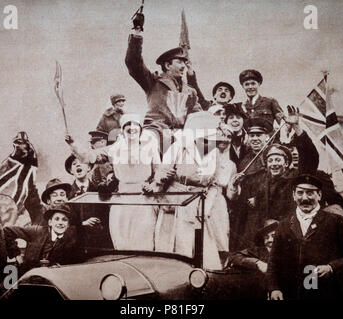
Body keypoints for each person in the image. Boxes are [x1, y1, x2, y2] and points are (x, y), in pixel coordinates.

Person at [227, 106, 319, 250]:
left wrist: (296, 127)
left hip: (288, 228)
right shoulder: (254, 172)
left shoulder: (294, 177)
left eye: (278, 160)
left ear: (286, 162)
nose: (274, 164)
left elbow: (310, 158)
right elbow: (243, 199)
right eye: (271, 160)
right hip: (259, 228)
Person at [66, 114, 162, 251]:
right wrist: (73, 144)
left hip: (143, 199)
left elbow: (158, 171)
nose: (132, 128)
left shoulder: (150, 148)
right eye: (127, 126)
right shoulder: (114, 149)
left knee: (144, 237)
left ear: (140, 129)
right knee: (122, 238)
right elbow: (89, 157)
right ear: (122, 130)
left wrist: (152, 186)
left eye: (135, 125)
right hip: (121, 200)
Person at [154, 112, 235, 269]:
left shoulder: (215, 153)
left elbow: (215, 182)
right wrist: (164, 176)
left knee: (202, 243)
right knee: (176, 243)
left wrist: (208, 202)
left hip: (201, 203)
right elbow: (160, 173)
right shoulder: (179, 147)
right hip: (177, 201)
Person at [267, 174, 343, 300]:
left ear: (320, 195)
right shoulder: (284, 225)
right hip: (292, 293)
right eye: (300, 193)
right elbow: (273, 261)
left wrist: (332, 267)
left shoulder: (336, 222)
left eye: (310, 193)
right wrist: (274, 288)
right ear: (293, 195)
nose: (305, 198)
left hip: (327, 293)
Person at [125, 13, 201, 152]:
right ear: (167, 65)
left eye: (185, 62)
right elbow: (133, 63)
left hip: (180, 138)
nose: (184, 66)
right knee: (147, 152)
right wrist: (136, 33)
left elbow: (198, 116)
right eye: (179, 62)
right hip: (155, 133)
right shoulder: (153, 82)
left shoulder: (190, 91)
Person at [4, 204, 82, 276]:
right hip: (27, 276)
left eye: (64, 220)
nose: (60, 223)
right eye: (57, 219)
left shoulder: (70, 242)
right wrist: (17, 255)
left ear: (68, 225)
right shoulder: (36, 231)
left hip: (50, 279)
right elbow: (7, 231)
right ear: (50, 222)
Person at [64, 154, 114, 249]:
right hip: (77, 244)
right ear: (71, 171)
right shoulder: (68, 194)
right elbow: (67, 222)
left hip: (99, 243)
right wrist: (82, 224)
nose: (78, 165)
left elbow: (107, 216)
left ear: (88, 167)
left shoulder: (99, 190)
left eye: (82, 163)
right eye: (74, 164)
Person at [229, 219, 278, 299]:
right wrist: (257, 263)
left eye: (274, 236)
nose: (270, 240)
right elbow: (234, 257)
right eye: (266, 237)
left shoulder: (288, 251)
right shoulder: (258, 251)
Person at [224, 103, 250, 168]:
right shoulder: (221, 140)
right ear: (226, 121)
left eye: (238, 117)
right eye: (231, 118)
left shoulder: (249, 139)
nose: (235, 120)